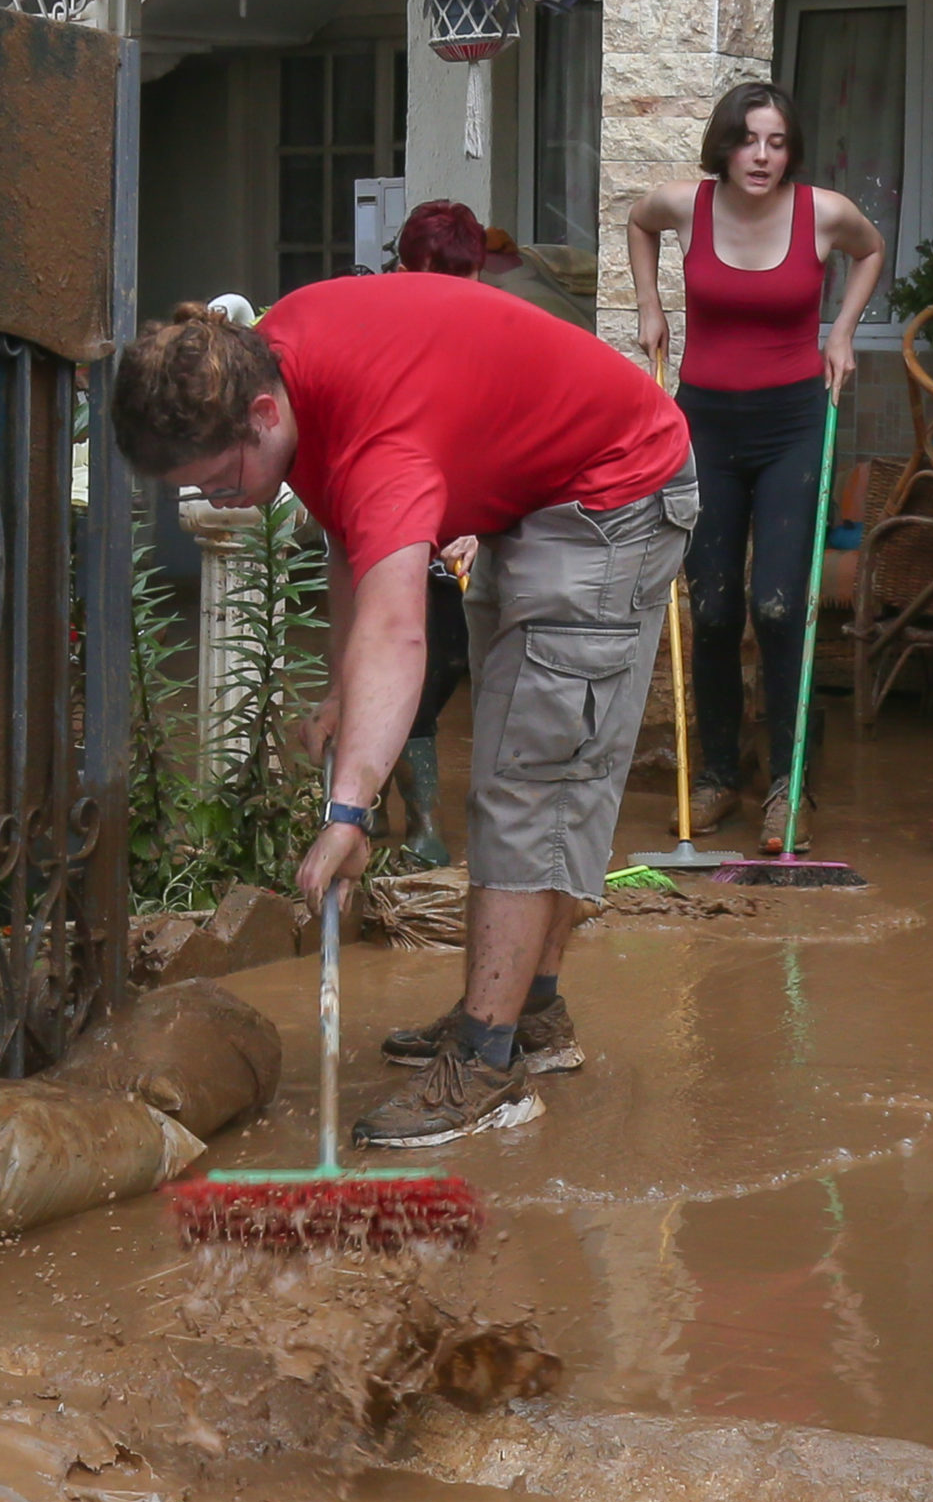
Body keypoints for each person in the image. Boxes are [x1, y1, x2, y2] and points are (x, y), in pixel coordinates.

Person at [111, 281, 695, 1147]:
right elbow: (354, 537)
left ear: (262, 414)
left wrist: (350, 811)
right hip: (538, 490)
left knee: (531, 778)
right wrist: (348, 696)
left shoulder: (376, 435)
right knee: (531, 759)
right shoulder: (270, 366)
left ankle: (492, 1067)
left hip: (612, 493)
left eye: (219, 479)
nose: (217, 502)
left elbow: (396, 631)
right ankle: (526, 1015)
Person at [626, 81, 886, 855]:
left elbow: (871, 252)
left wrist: (841, 331)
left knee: (777, 606)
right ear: (726, 146)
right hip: (704, 422)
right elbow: (637, 222)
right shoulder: (686, 206)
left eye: (776, 142)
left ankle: (788, 781)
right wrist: (648, 304)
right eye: (749, 141)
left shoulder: (824, 213)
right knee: (710, 608)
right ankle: (715, 776)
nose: (763, 156)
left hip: (793, 425)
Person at [378, 198, 492, 868]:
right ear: (402, 269)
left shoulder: (497, 337)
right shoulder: (381, 331)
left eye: (462, 284)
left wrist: (479, 521)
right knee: (390, 666)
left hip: (465, 529)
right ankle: (412, 823)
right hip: (391, 520)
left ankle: (411, 813)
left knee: (443, 664)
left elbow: (509, 444)